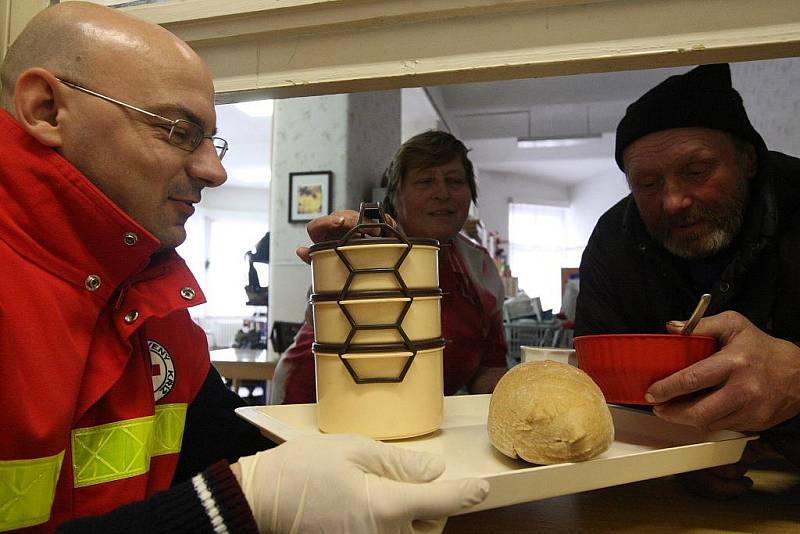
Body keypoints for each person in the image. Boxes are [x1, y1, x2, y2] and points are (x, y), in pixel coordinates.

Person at [0, 3, 488, 532]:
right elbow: (240, 488)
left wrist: (341, 299)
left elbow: (226, 443)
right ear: (46, 108)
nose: (215, 170)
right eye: (178, 131)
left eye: (213, 140)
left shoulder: (148, 298)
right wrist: (238, 503)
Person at [575, 63, 800, 496]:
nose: (673, 201)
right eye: (647, 183)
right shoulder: (613, 241)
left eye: (697, 172)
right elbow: (599, 387)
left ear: (749, 159)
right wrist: (675, 453)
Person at [272, 130, 508, 404]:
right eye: (425, 181)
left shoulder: (480, 268)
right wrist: (334, 264)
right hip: (316, 402)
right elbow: (319, 318)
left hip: (413, 413)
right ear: (395, 196)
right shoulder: (369, 246)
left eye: (455, 181)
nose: (442, 193)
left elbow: (488, 369)